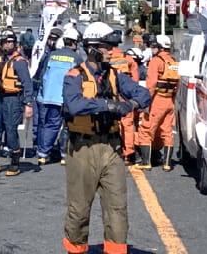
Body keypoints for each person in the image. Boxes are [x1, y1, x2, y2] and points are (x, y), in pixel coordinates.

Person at [62, 22, 150, 254]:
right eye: (107, 46)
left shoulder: (115, 75)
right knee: (79, 208)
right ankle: (75, 249)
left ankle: (115, 250)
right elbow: (73, 105)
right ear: (92, 48)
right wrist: (108, 104)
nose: (112, 51)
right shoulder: (74, 76)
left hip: (111, 147)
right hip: (82, 148)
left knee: (117, 206)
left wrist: (131, 104)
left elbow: (143, 93)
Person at [0, 29, 34, 176]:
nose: (8, 44)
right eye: (5, 42)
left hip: (13, 99)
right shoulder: (0, 59)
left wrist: (28, 104)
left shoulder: (19, 62)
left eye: (10, 42)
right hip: (1, 98)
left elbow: (28, 84)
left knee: (11, 131)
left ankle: (15, 163)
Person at [36, 27, 82, 165]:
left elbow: (43, 75)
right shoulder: (77, 58)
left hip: (50, 96)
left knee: (51, 125)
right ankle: (64, 155)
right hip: (67, 98)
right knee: (68, 126)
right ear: (74, 43)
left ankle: (43, 154)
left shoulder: (52, 55)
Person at [137, 34, 178, 172]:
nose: (152, 48)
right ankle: (167, 164)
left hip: (157, 100)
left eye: (154, 46)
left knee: (146, 130)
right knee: (167, 131)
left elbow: (151, 84)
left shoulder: (156, 61)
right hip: (170, 101)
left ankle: (146, 162)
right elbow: (177, 85)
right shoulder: (173, 62)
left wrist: (146, 102)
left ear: (160, 47)